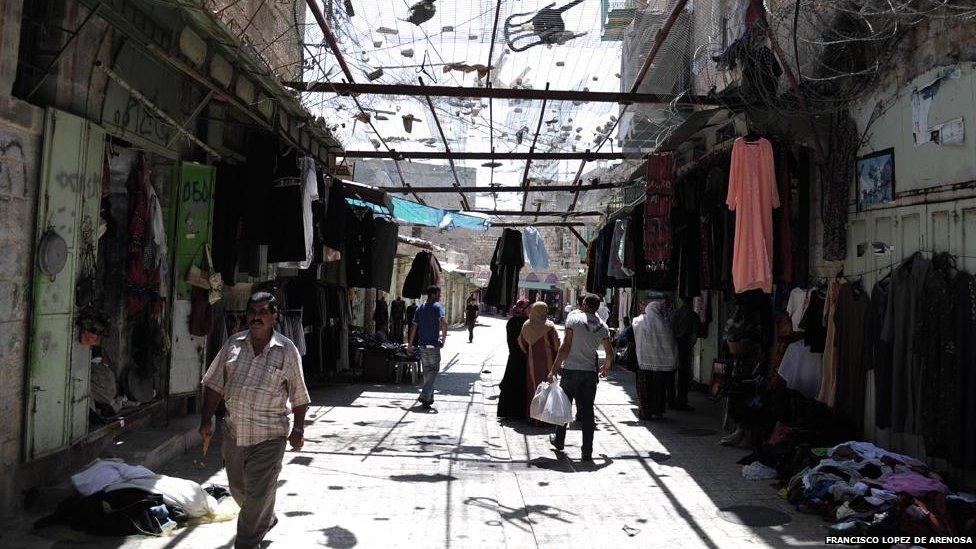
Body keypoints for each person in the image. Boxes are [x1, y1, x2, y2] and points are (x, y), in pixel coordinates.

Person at [200, 291, 310, 549]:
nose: (256, 317)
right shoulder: (234, 344)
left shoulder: (286, 350)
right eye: (252, 312)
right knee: (240, 491)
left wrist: (299, 429)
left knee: (258, 493)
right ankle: (265, 518)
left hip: (270, 436)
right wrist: (206, 420)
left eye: (263, 312)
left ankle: (246, 543)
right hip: (234, 433)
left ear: (274, 316)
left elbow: (299, 394)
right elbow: (215, 384)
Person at [548, 294, 613, 461]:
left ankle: (559, 440)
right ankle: (587, 450)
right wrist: (605, 367)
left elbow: (565, 347)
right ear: (597, 308)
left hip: (571, 371)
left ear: (584, 304)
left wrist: (554, 369)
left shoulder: (573, 321)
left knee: (564, 407)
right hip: (590, 374)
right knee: (587, 412)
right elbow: (609, 353)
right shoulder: (603, 326)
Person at [631, 295, 678, 420]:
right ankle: (658, 410)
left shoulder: (640, 321)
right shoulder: (665, 324)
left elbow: (634, 326)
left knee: (645, 387)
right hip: (661, 365)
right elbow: (670, 344)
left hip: (644, 363)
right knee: (660, 388)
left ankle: (645, 411)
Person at [407, 285, 448, 409]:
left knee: (427, 373)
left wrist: (409, 344)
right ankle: (425, 394)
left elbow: (414, 327)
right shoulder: (438, 306)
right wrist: (443, 338)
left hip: (422, 345)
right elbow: (444, 323)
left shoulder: (420, 308)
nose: (440, 296)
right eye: (439, 293)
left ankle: (429, 399)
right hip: (433, 345)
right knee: (434, 371)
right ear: (433, 294)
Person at [520, 302, 561, 418]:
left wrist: (530, 352)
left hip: (531, 362)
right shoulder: (549, 326)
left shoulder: (526, 325)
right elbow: (557, 344)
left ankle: (534, 418)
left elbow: (522, 344)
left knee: (533, 387)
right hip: (549, 363)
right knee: (548, 388)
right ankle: (547, 418)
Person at [497, 299, 530, 419]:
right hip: (523, 357)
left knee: (510, 381)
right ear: (523, 309)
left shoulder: (511, 321)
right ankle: (518, 413)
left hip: (513, 357)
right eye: (528, 308)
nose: (530, 310)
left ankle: (507, 411)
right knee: (520, 383)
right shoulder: (526, 323)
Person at [669, 297, 700, 411]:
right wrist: (689, 346)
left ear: (681, 302)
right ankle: (681, 401)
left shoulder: (673, 314)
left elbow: (669, 330)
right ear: (691, 302)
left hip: (672, 345)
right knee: (683, 375)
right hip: (684, 345)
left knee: (671, 373)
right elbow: (694, 335)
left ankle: (671, 401)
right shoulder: (693, 315)